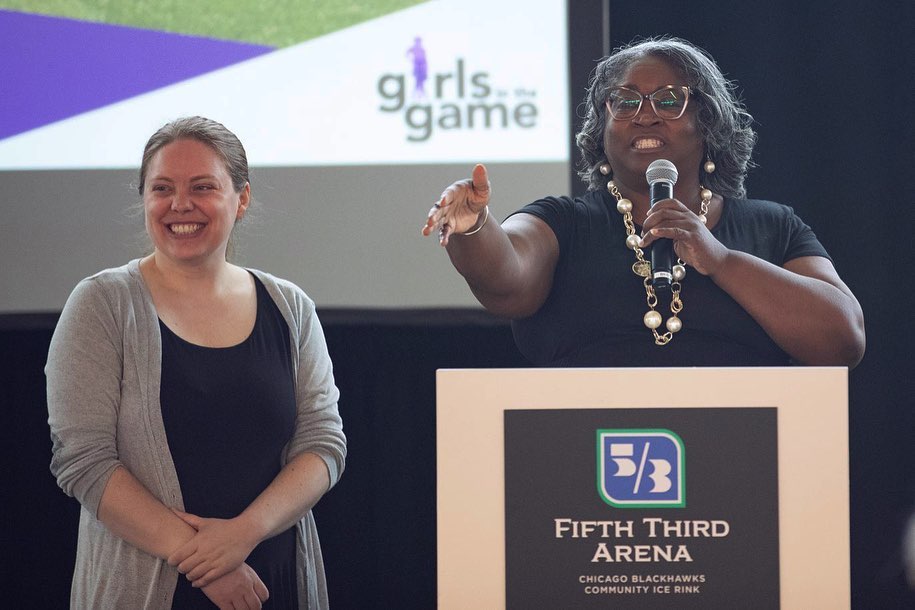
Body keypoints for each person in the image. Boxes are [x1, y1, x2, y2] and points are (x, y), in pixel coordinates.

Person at [46, 116, 346, 609]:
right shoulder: (101, 304)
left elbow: (323, 443)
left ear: (241, 199)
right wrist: (208, 562)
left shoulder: (290, 307)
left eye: (202, 187)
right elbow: (84, 462)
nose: (180, 204)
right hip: (145, 587)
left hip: (273, 585)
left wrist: (243, 534)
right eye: (162, 188)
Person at [422, 37, 865, 368]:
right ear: (602, 127)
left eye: (669, 101)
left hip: (746, 446)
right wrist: (476, 225)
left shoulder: (772, 226)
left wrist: (722, 260)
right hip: (577, 444)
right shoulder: (563, 222)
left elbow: (843, 339)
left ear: (707, 122)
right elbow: (507, 282)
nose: (645, 114)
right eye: (625, 101)